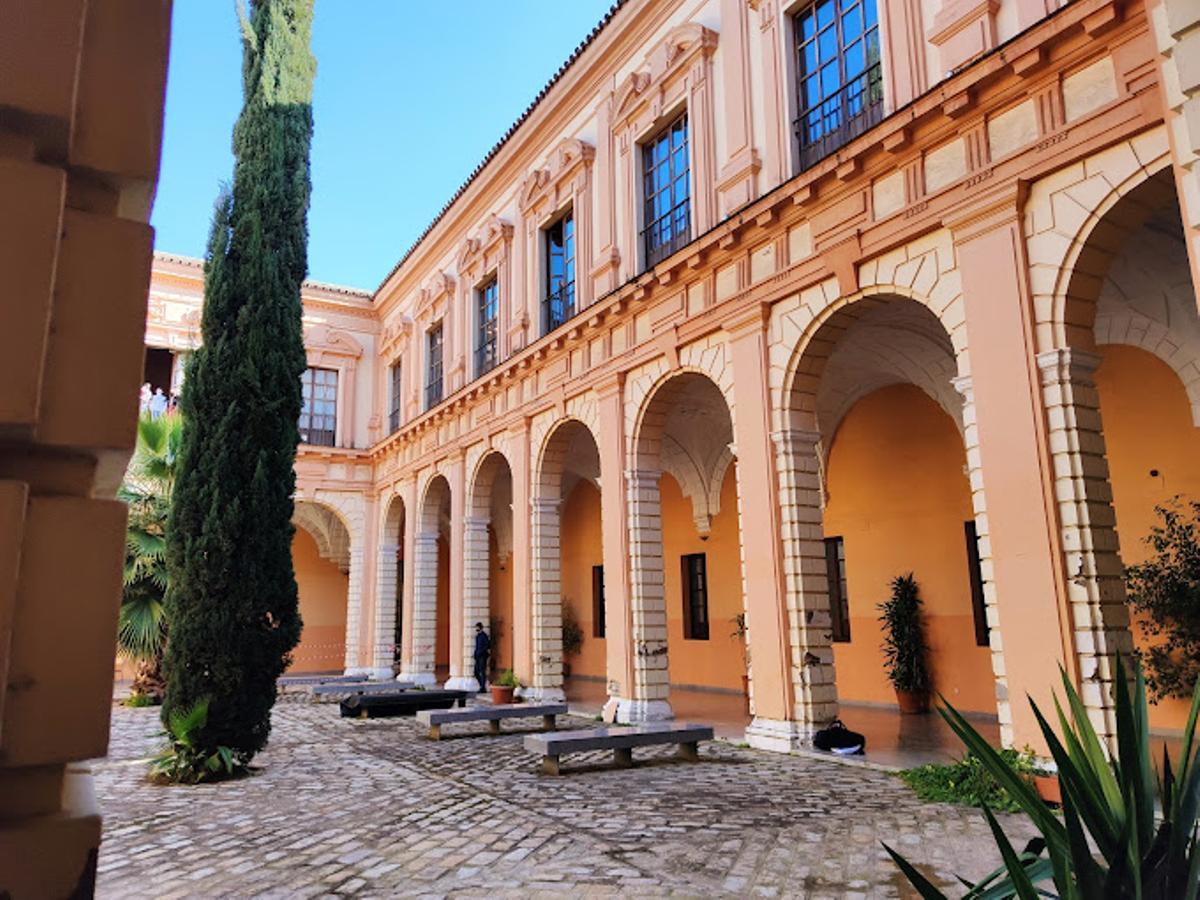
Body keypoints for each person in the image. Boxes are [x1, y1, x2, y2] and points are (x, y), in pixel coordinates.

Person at [472, 622, 490, 693]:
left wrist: (481, 652)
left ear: (480, 627)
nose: (476, 628)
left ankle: (483, 687)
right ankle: (481, 685)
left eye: (477, 627)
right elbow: (477, 647)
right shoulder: (477, 636)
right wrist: (475, 654)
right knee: (476, 672)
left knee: (482, 672)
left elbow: (487, 646)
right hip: (478, 657)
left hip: (483, 656)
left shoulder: (484, 636)